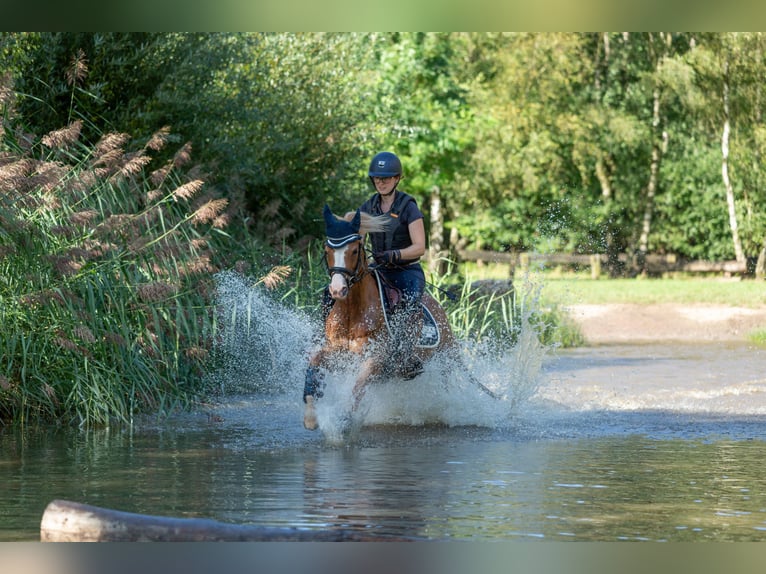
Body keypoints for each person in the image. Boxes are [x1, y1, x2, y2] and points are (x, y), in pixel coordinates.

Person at [358, 151, 426, 379]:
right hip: (379, 271)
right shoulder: (367, 208)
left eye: (386, 178)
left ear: (397, 179)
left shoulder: (408, 207)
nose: (381, 182)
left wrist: (394, 255)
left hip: (406, 271)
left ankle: (406, 357)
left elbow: (419, 247)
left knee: (410, 301)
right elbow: (357, 242)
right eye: (377, 178)